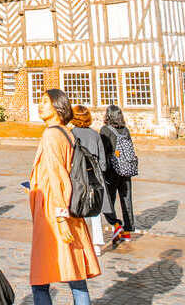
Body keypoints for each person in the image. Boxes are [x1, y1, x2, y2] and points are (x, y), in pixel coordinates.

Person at [30, 89, 100, 305]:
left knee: (40, 279)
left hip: (54, 210)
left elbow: (57, 175)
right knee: (76, 275)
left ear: (58, 107)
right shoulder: (66, 132)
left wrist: (60, 217)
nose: (40, 105)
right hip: (68, 206)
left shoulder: (51, 134)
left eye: (45, 102)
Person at [70, 105, 107, 256]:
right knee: (95, 209)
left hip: (78, 176)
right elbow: (103, 161)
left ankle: (81, 242)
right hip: (93, 176)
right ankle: (97, 244)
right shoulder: (95, 135)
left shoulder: (71, 134)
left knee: (78, 207)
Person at [100, 104, 137, 243]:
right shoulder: (125, 130)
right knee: (126, 199)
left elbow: (103, 151)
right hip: (126, 169)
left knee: (108, 201)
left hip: (111, 171)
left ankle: (116, 224)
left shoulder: (105, 130)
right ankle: (127, 231)